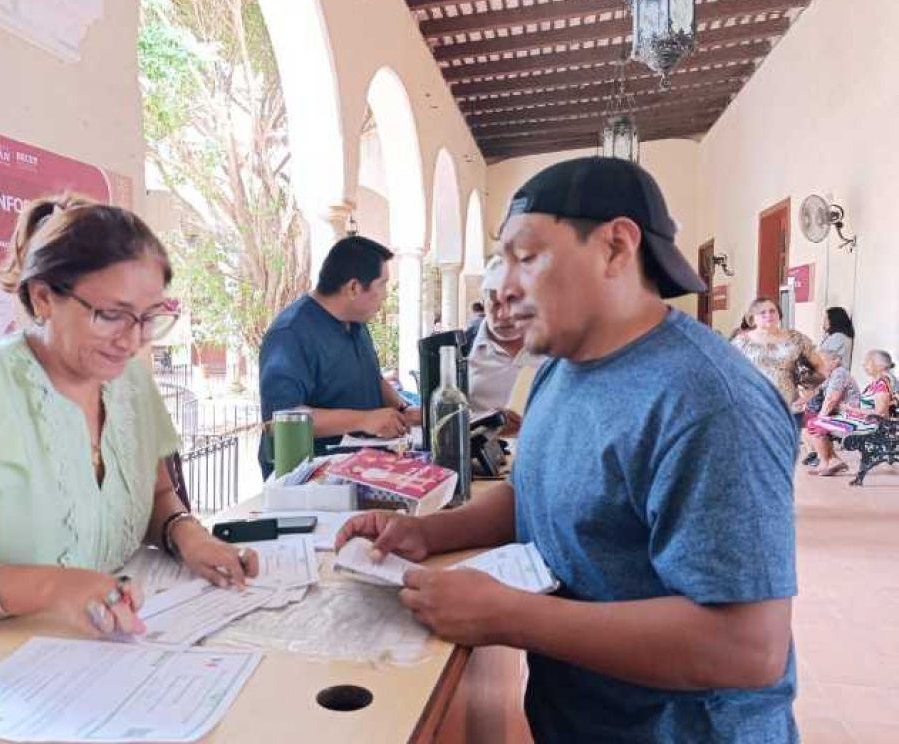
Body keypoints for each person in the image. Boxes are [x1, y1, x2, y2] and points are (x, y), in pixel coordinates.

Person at [337, 157, 799, 743]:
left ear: (615, 247)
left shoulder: (708, 403)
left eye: (526, 257)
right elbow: (541, 494)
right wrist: (431, 534)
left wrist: (508, 615)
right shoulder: (563, 367)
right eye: (500, 262)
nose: (501, 288)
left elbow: (747, 646)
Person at [0, 195, 258, 672]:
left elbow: (156, 491)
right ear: (42, 298)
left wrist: (188, 535)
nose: (132, 340)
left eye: (148, 318)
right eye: (110, 315)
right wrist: (53, 587)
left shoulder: (130, 384)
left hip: (87, 662)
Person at [257, 235, 421, 477]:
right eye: (382, 284)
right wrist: (364, 420)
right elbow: (280, 421)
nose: (385, 295)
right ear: (354, 287)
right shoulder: (291, 334)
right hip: (312, 482)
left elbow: (372, 378)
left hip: (366, 469)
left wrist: (404, 408)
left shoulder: (355, 322)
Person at [466, 256, 544, 434]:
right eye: (495, 304)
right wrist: (488, 422)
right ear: (483, 301)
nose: (503, 315)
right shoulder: (461, 349)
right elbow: (442, 421)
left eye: (513, 302)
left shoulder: (555, 346)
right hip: (480, 457)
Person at [733, 296, 824, 428]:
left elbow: (819, 366)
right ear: (752, 318)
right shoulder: (741, 342)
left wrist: (809, 392)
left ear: (779, 314)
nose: (768, 315)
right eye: (762, 313)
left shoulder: (795, 338)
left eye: (772, 311)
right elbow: (729, 372)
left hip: (789, 408)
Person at [806, 349, 897, 476]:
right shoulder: (878, 383)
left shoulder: (882, 384)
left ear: (878, 364)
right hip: (863, 420)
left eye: (867, 362)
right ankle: (828, 461)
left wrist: (850, 409)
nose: (864, 365)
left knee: (816, 423)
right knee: (815, 423)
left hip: (871, 424)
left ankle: (829, 461)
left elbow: (881, 413)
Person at [799, 351, 860, 476]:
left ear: (836, 361)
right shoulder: (832, 375)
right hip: (845, 415)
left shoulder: (839, 373)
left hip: (852, 418)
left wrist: (821, 417)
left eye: (823, 361)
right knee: (812, 422)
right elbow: (815, 393)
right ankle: (831, 461)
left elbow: (832, 399)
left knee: (816, 424)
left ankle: (827, 462)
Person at [817, 306, 855, 372]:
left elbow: (824, 357)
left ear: (834, 320)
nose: (824, 321)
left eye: (826, 319)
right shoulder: (835, 336)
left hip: (834, 376)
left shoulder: (838, 337)